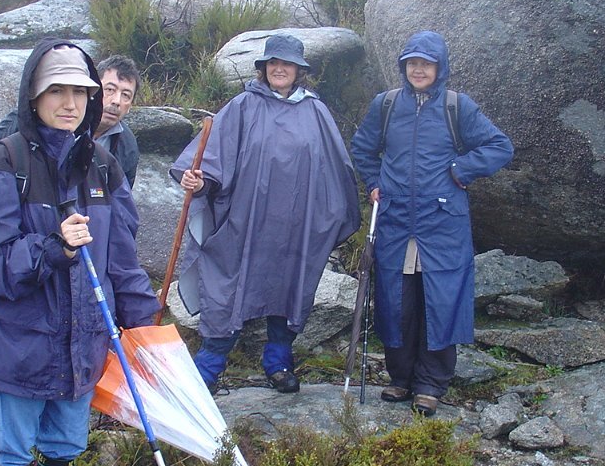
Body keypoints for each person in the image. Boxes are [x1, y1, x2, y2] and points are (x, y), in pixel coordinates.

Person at [0, 38, 159, 466]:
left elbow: (123, 262)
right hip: (18, 345)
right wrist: (54, 248)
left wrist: (148, 330)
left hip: (82, 346)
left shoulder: (103, 166)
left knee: (65, 448)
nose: (70, 104)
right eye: (57, 91)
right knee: (9, 452)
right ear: (33, 95)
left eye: (80, 92)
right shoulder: (3, 162)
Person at [171, 34, 360, 394]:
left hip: (295, 226)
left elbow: (335, 169)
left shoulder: (316, 112)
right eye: (273, 62)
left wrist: (333, 214)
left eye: (287, 63)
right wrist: (201, 181)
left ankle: (277, 362)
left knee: (289, 286)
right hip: (245, 222)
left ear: (299, 70)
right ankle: (209, 367)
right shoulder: (243, 106)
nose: (279, 68)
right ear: (264, 67)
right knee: (228, 286)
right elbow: (213, 157)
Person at [351, 30, 514, 417]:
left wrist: (460, 170)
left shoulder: (458, 106)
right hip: (395, 221)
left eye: (426, 63)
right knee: (397, 302)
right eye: (412, 63)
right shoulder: (386, 104)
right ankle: (400, 377)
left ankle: (430, 385)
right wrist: (373, 183)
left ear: (440, 68)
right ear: (403, 67)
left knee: (440, 301)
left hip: (442, 223)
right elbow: (362, 147)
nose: (419, 70)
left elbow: (499, 147)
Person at [0, 54, 142, 187]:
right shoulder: (32, 119)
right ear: (93, 90)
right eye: (110, 90)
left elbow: (121, 202)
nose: (116, 101)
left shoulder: (127, 144)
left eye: (126, 95)